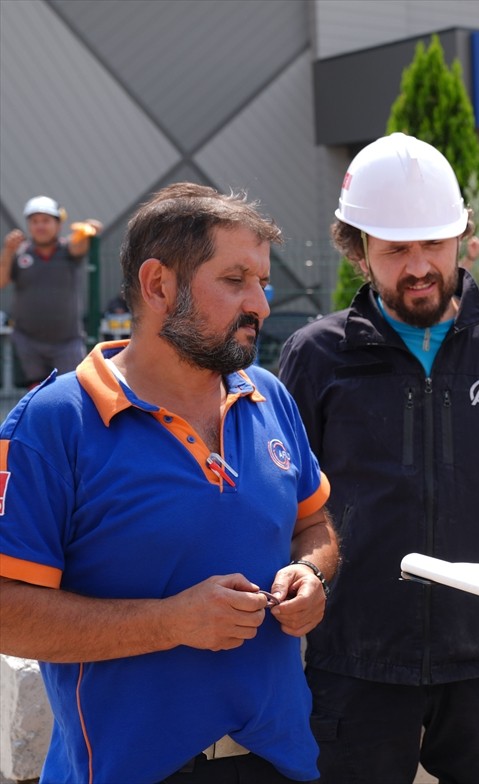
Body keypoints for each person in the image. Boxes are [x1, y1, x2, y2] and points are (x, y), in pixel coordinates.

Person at [0, 183, 338, 782]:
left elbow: (314, 524)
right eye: (235, 280)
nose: (259, 303)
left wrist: (310, 573)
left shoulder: (269, 394)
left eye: (262, 282)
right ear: (158, 285)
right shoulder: (51, 423)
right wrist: (171, 622)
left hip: (279, 761)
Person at [277, 133, 479, 783]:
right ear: (358, 250)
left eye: (433, 244)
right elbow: (282, 507)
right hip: (354, 667)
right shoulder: (315, 357)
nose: (418, 266)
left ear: (463, 238)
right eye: (395, 250)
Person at [0, 196, 103, 387]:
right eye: (34, 221)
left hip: (67, 343)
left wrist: (88, 228)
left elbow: (82, 242)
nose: (40, 226)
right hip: (27, 342)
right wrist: (7, 251)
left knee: (70, 393)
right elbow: (1, 281)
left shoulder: (68, 249)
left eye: (46, 220)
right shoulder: (20, 252)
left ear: (58, 224)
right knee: (34, 398)